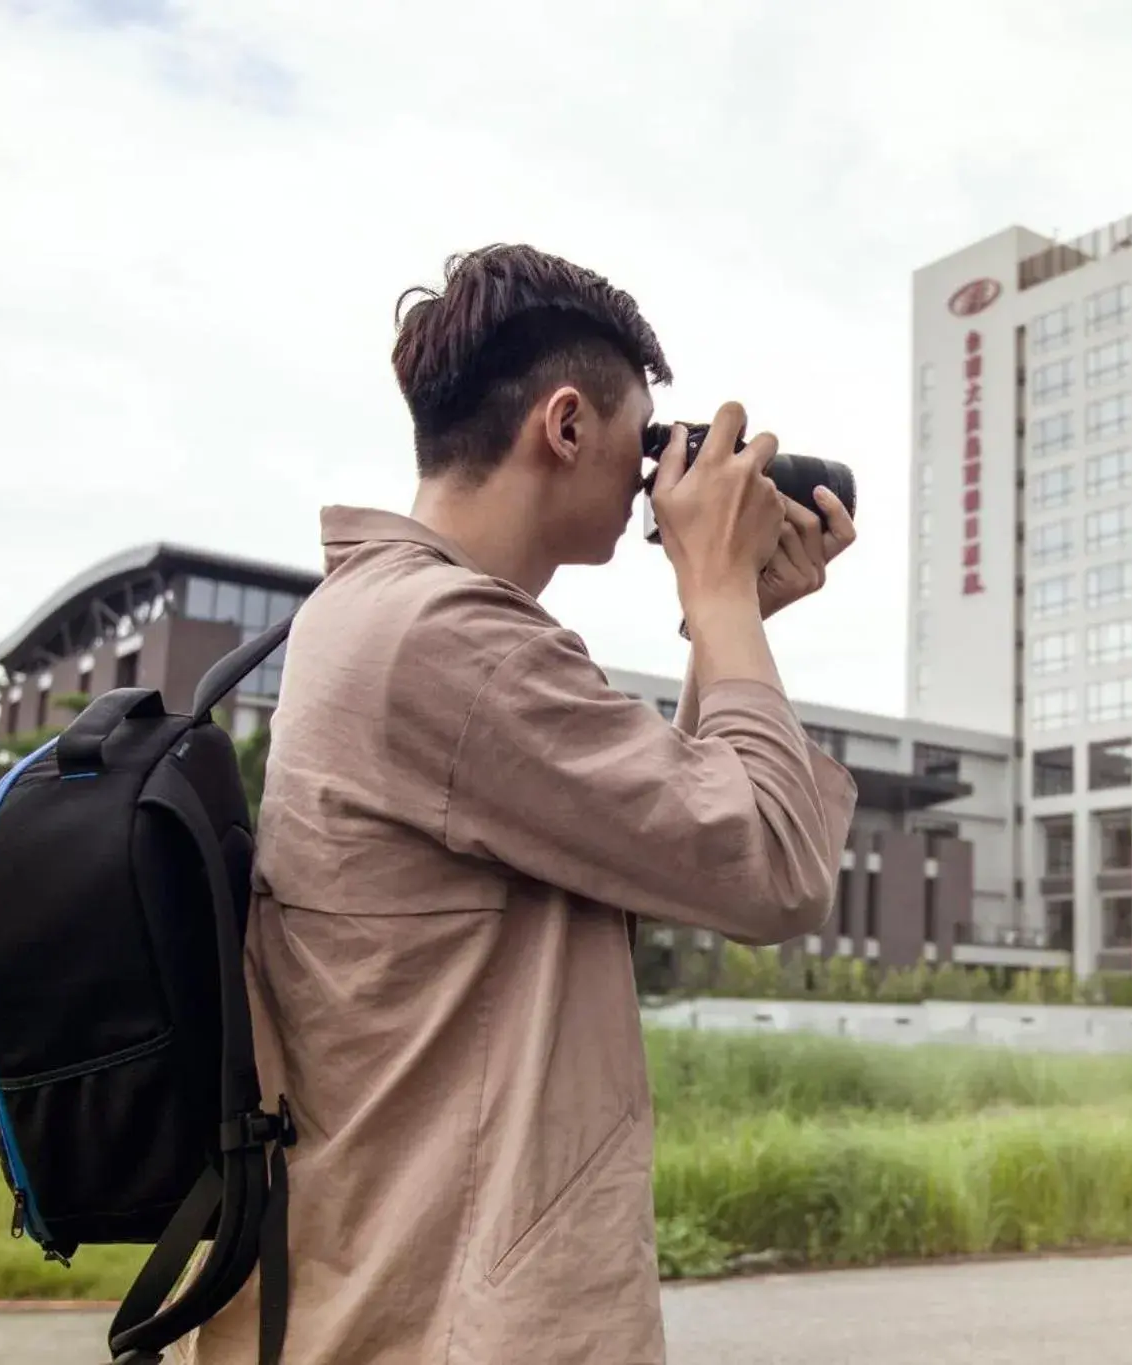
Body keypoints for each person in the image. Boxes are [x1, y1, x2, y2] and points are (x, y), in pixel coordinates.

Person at [186, 244, 859, 1364]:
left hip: (404, 1298)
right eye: (646, 438)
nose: (657, 479)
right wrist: (720, 592)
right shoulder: (451, 645)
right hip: (446, 1319)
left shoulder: (392, 621)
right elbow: (769, 869)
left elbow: (680, 843)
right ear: (564, 425)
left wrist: (728, 619)